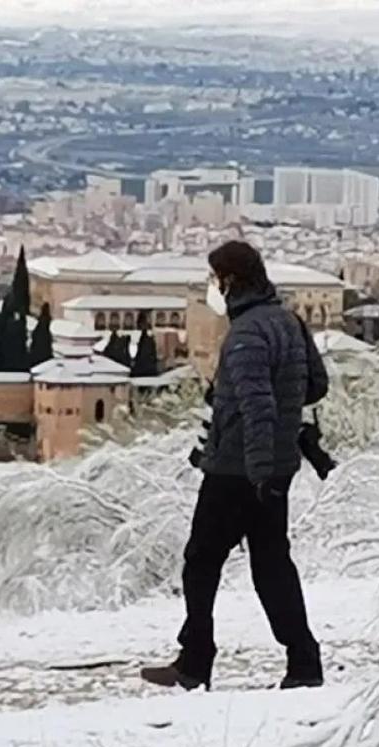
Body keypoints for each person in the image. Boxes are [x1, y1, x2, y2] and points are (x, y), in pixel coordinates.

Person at [142, 241, 328, 692]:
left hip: (237, 469)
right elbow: (315, 386)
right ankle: (303, 662)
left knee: (201, 561)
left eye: (214, 278)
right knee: (271, 564)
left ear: (229, 281)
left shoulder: (245, 335)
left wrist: (257, 467)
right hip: (278, 464)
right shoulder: (288, 321)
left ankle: (195, 661)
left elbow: (257, 404)